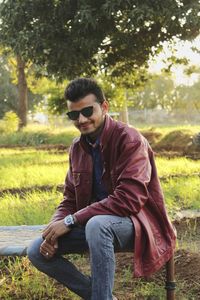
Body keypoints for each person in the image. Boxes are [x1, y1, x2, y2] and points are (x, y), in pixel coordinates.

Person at [28, 78, 176, 300]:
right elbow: (70, 198)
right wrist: (53, 228)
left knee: (98, 225)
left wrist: (70, 221)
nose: (82, 119)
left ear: (104, 107)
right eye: (74, 115)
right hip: (93, 226)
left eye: (88, 111)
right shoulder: (77, 148)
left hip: (136, 224)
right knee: (36, 250)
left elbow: (129, 200)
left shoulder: (130, 140)